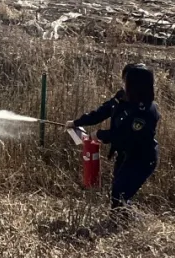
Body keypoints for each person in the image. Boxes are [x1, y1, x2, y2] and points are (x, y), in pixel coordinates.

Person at [66, 64, 160, 209]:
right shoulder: (122, 97)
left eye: (126, 80)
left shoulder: (145, 111)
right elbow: (101, 112)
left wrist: (100, 135)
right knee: (118, 192)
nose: (122, 83)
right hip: (125, 154)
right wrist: (76, 122)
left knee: (120, 193)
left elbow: (126, 136)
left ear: (136, 85)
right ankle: (120, 222)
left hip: (141, 159)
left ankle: (128, 224)